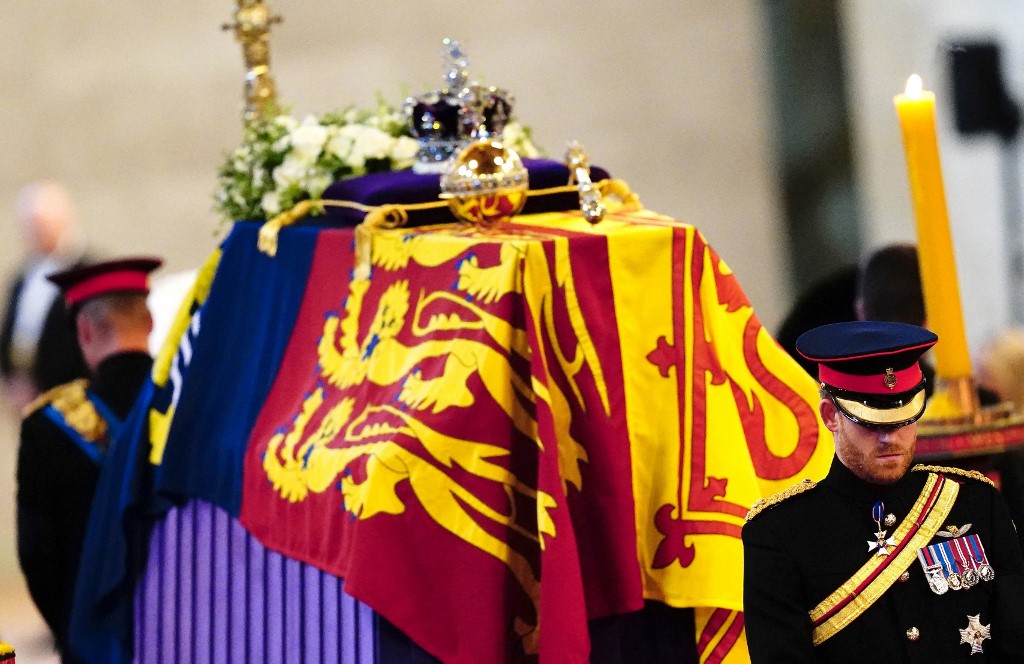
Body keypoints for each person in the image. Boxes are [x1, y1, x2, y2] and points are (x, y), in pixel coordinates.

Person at [743, 321, 1024, 661]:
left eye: (903, 419)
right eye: (871, 422)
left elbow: (1014, 643)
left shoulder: (976, 503)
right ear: (831, 416)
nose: (890, 437)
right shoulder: (779, 533)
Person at [16, 257, 161, 663]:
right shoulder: (191, 405)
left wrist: (73, 634)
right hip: (191, 632)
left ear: (84, 331)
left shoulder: (47, 427)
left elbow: (39, 557)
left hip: (94, 642)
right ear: (149, 321)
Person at [0, 181, 89, 412]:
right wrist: (13, 380)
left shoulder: (87, 272)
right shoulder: (21, 278)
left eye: (42, 226)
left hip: (74, 398)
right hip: (26, 397)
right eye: (31, 227)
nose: (36, 234)